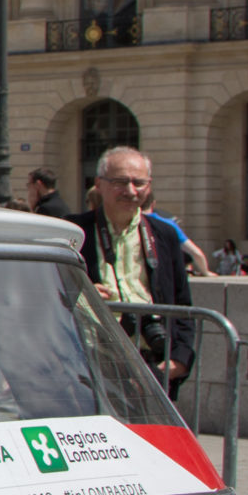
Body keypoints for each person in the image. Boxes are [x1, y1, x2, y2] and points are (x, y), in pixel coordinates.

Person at [72, 145, 196, 395]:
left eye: (138, 183)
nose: (130, 191)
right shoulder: (74, 231)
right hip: (90, 364)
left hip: (151, 366)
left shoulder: (164, 235)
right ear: (99, 184)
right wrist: (80, 292)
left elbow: (183, 306)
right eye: (120, 182)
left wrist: (176, 364)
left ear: (148, 185)